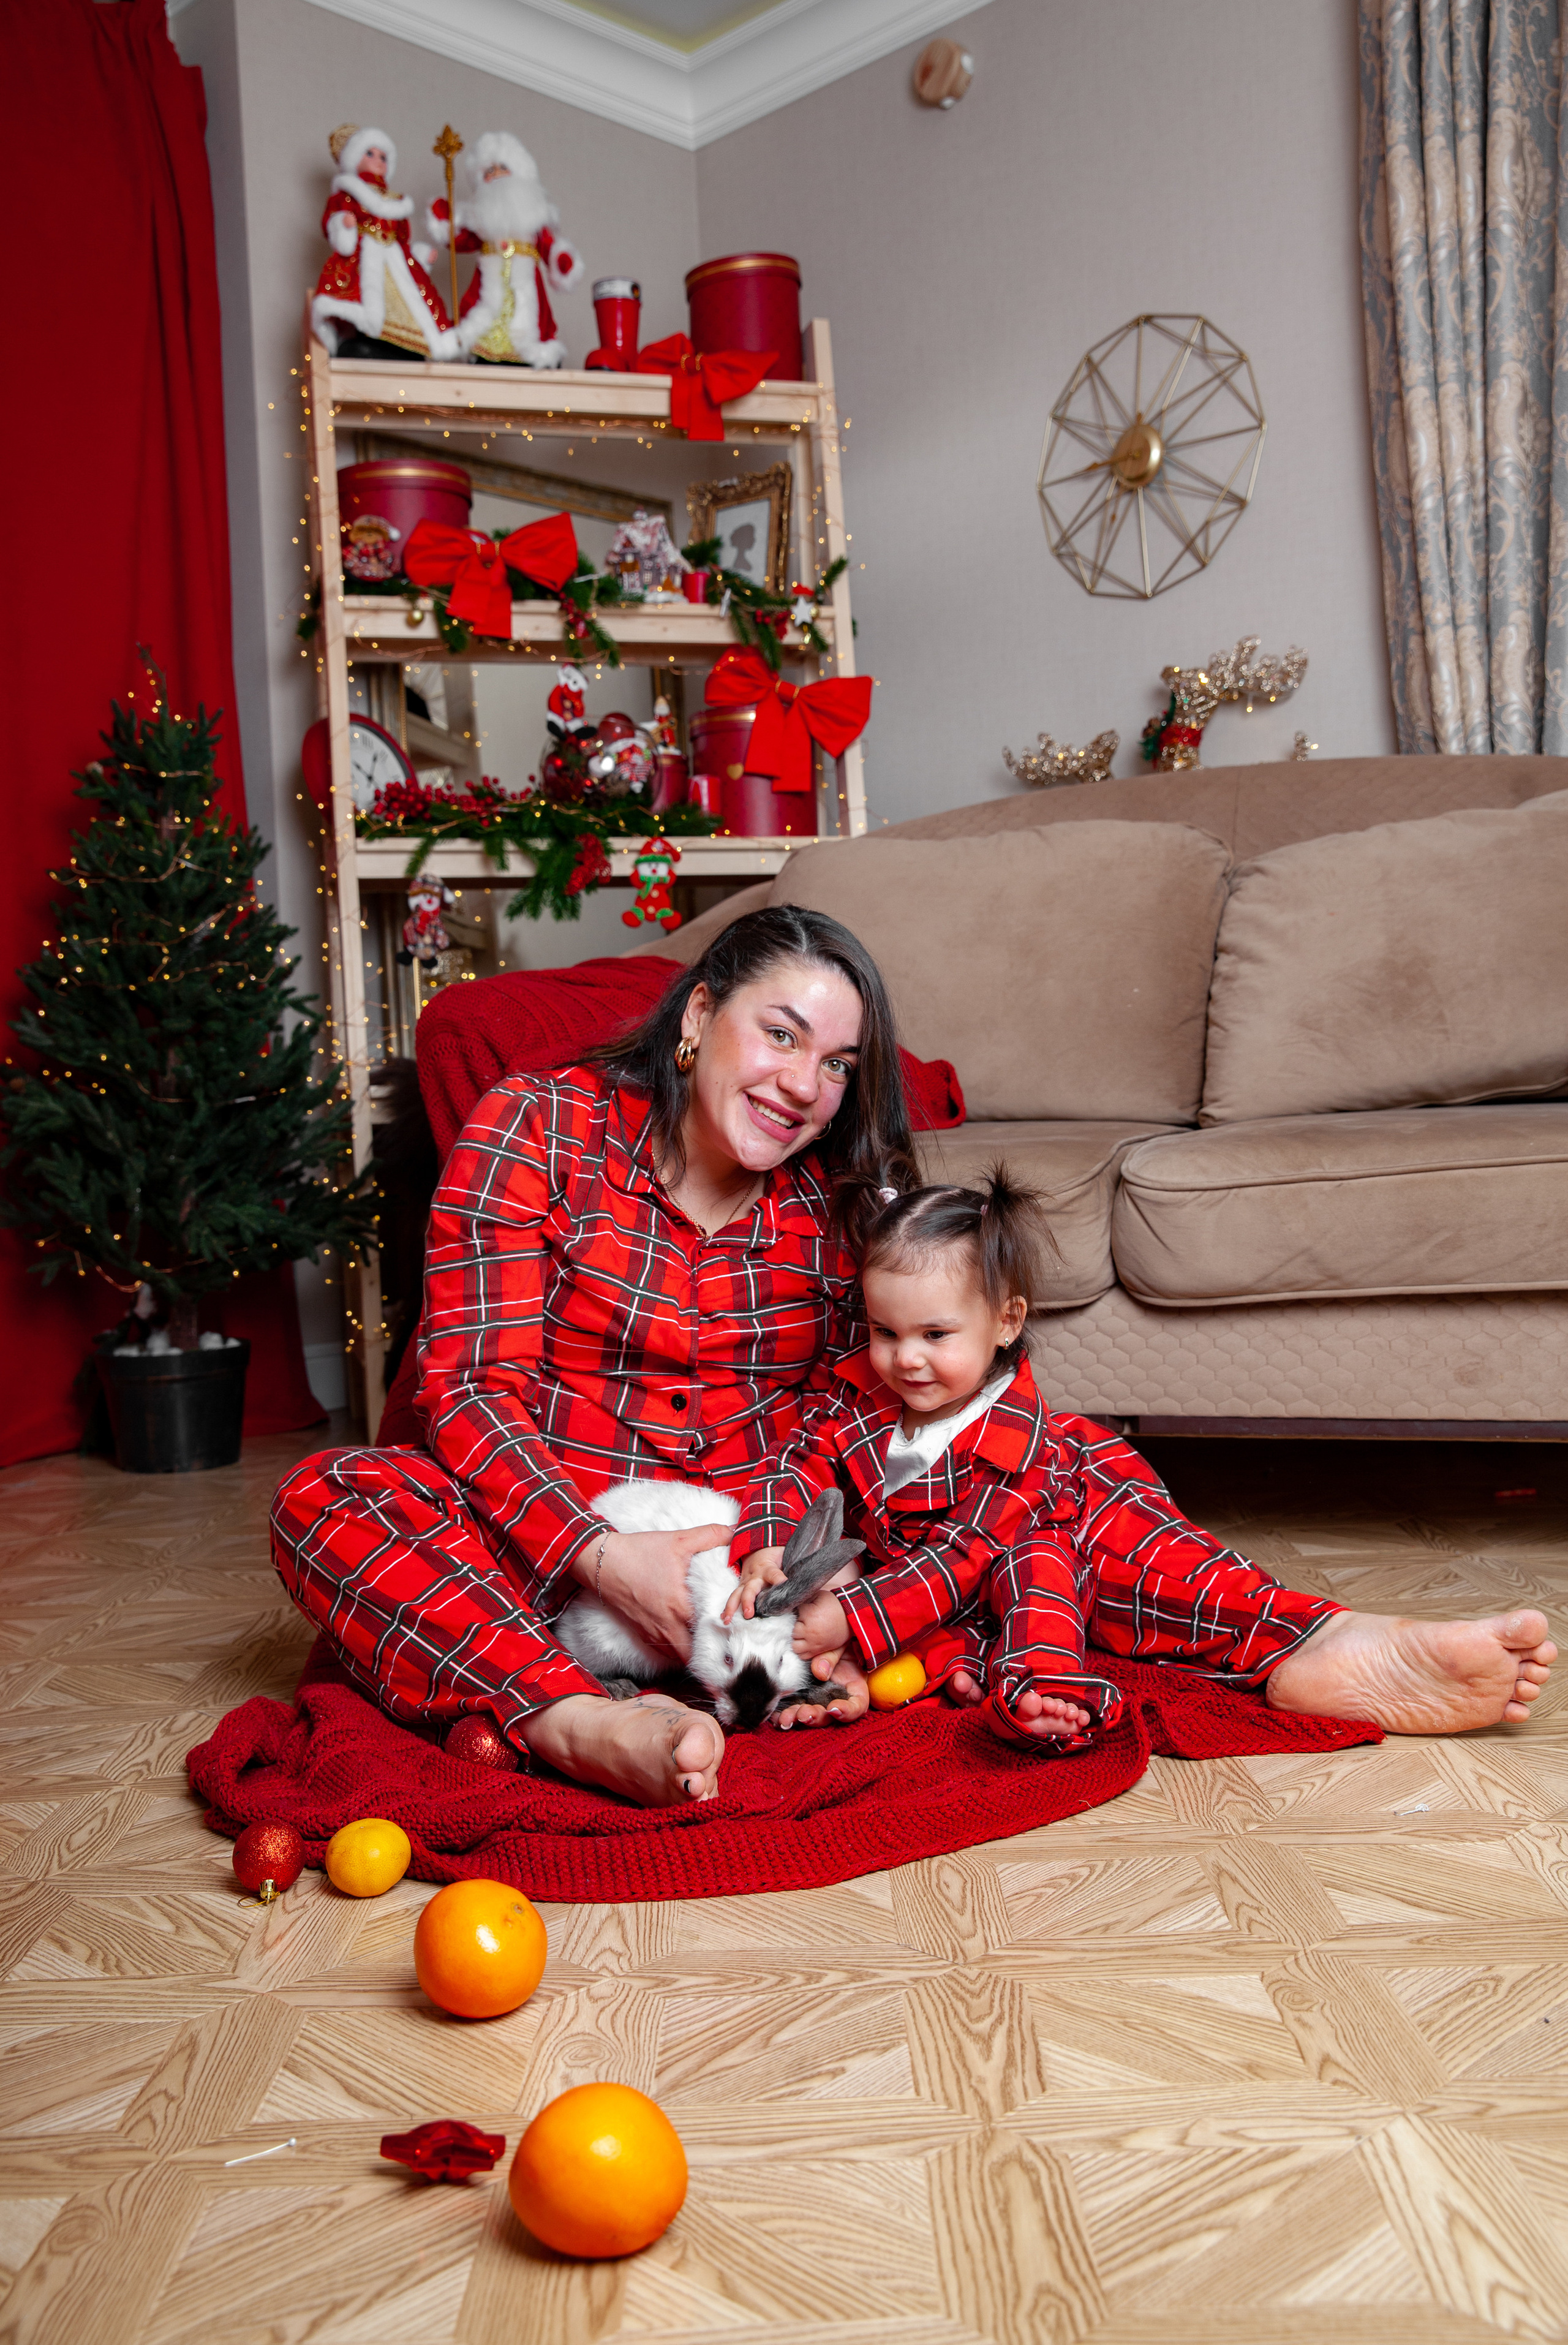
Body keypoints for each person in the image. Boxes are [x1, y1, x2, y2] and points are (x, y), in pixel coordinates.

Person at [271, 915, 1556, 1808]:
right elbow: (469, 1388)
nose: (802, 1086)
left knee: (1052, 1459)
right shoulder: (536, 1129)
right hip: (561, 1536)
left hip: (770, 1550)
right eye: (779, 1036)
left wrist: (811, 1592)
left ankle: (1309, 1646)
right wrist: (601, 1555)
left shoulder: (842, 1200)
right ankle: (573, 1719)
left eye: (836, 1065)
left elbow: (874, 1401)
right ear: (698, 1016)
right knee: (329, 1501)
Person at [732, 1171, 1558, 1746]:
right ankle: (1052, 1689)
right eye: (886, 1333)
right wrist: (771, 1543)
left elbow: (963, 1552)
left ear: (1006, 1322)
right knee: (1033, 1602)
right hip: (975, 1584)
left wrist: (858, 1619)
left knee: (1173, 1579)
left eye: (936, 1336)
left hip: (1079, 1502)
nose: (906, 1359)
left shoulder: (1016, 1438)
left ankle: (1334, 1638)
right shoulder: (854, 1398)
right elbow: (795, 1463)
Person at [426, 130, 583, 368]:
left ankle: (527, 353)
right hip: (489, 285)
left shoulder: (536, 216)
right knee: (484, 317)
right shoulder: (481, 220)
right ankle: (484, 351)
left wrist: (563, 261)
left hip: (526, 286)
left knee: (528, 318)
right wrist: (445, 217)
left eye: (502, 168)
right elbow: (459, 239)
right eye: (489, 172)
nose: (496, 175)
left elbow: (552, 247)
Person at [311, 126, 458, 362]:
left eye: (383, 157)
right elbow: (335, 221)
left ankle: (403, 346)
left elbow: (403, 239)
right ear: (354, 158)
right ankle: (367, 339)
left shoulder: (396, 202)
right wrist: (343, 225)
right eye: (370, 154)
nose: (378, 161)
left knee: (406, 300)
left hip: (394, 258)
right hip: (364, 256)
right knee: (367, 299)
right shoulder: (348, 194)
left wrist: (420, 255)